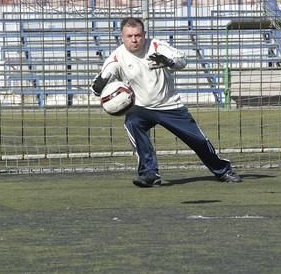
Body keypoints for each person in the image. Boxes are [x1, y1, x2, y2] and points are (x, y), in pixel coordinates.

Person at [91, 17, 242, 187]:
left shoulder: (156, 46)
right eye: (129, 36)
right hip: (141, 107)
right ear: (122, 37)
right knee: (132, 123)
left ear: (144, 35)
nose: (134, 40)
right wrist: (98, 87)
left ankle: (223, 170)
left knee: (198, 141)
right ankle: (149, 174)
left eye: (138, 35)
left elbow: (182, 61)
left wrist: (169, 62)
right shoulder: (116, 57)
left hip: (170, 105)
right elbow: (100, 85)